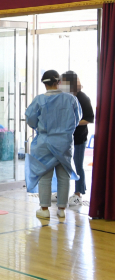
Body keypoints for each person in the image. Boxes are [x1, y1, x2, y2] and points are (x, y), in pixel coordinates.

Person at [26, 70, 81, 219]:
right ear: (59, 82)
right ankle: (61, 209)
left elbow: (30, 119)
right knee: (64, 177)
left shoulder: (39, 100)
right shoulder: (71, 100)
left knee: (45, 177)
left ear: (44, 84)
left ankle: (44, 209)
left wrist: (41, 128)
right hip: (64, 143)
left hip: (44, 143)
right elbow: (77, 119)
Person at [61, 72, 95, 206]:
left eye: (63, 82)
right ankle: (61, 191)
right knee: (62, 165)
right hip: (65, 137)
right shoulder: (63, 97)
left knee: (78, 166)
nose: (60, 84)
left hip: (79, 138)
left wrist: (73, 122)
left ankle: (78, 193)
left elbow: (89, 118)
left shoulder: (83, 97)